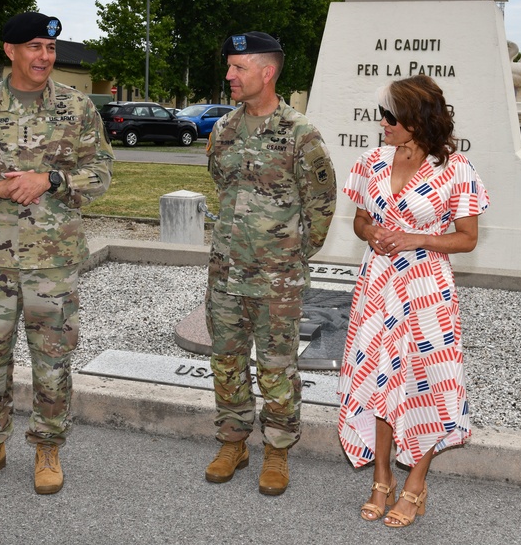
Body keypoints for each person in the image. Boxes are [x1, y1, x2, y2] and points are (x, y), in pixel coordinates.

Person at [0, 12, 114, 495]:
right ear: (10, 51)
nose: (44, 57)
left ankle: (47, 449)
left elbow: (101, 173)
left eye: (51, 49)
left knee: (53, 359)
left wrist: (52, 179)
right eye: (35, 47)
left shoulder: (78, 109)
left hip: (53, 261)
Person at [338, 75, 489, 527]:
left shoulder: (455, 169)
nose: (381, 123)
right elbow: (360, 222)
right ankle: (381, 478)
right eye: (381, 115)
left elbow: (467, 240)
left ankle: (415, 487)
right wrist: (374, 233)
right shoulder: (372, 161)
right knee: (379, 381)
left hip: (426, 292)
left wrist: (413, 238)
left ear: (416, 119)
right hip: (377, 285)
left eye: (390, 116)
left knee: (424, 385)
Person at [203, 31, 336, 496]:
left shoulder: (301, 133)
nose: (229, 75)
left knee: (277, 365)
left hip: (277, 278)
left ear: (267, 71)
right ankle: (233, 442)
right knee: (226, 360)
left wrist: (290, 256)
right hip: (225, 272)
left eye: (238, 67)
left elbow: (321, 204)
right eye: (230, 67)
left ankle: (277, 450)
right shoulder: (223, 130)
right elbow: (221, 183)